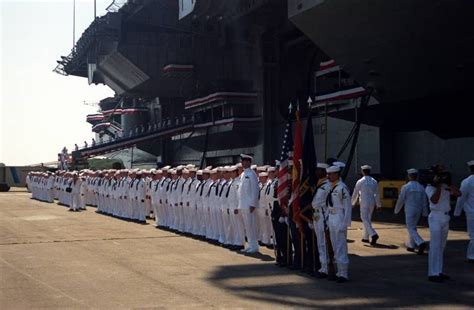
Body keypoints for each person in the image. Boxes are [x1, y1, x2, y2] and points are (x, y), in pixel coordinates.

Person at [425, 165, 461, 282]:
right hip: (435, 217)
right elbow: (434, 200)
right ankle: (432, 273)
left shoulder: (446, 186)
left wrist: (449, 185)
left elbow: (458, 194)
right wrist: (439, 186)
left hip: (445, 217)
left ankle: (439, 271)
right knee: (435, 246)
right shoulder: (429, 188)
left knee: (441, 246)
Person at [326, 165, 352, 283]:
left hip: (340, 217)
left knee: (341, 245)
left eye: (331, 174)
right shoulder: (332, 187)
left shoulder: (342, 188)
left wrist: (345, 223)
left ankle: (344, 273)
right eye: (328, 174)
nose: (329, 176)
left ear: (336, 174)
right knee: (335, 245)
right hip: (331, 217)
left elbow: (348, 207)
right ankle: (339, 271)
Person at [394, 169, 429, 254]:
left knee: (410, 228)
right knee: (413, 227)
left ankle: (420, 242)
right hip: (418, 210)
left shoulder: (406, 187)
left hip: (409, 210)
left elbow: (401, 200)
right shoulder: (421, 187)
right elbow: (424, 200)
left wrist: (396, 210)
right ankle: (411, 246)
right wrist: (425, 212)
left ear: (409, 176)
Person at [351, 165, 382, 245]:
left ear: (362, 171)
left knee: (364, 218)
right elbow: (377, 193)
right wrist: (378, 205)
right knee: (368, 219)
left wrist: (352, 203)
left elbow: (355, 193)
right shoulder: (374, 181)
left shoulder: (360, 181)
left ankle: (373, 234)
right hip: (372, 201)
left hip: (364, 201)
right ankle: (365, 237)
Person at [311, 163, 331, 278]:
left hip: (323, 216)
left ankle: (327, 267)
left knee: (324, 243)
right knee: (320, 243)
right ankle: (323, 267)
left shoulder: (327, 185)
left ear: (324, 172)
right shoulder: (320, 184)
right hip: (317, 216)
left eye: (319, 170)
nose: (316, 172)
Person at [238, 154, 260, 253]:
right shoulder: (243, 174)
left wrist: (253, 204)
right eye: (242, 161)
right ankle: (250, 244)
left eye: (245, 161)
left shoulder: (252, 174)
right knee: (247, 226)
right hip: (243, 204)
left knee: (251, 226)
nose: (243, 163)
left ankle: (254, 246)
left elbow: (255, 190)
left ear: (249, 162)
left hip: (249, 205)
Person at [454, 160, 474, 263]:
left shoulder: (466, 182)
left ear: (470, 169)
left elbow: (461, 198)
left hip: (471, 212)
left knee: (473, 235)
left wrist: (457, 212)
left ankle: (472, 256)